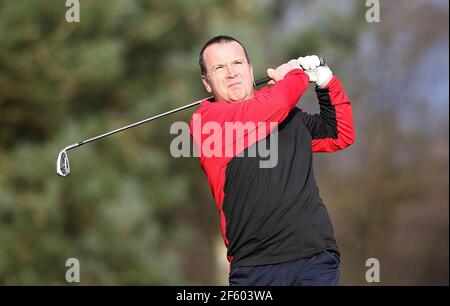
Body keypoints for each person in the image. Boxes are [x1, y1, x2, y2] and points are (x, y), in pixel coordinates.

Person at [189, 35, 354, 286]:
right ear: (207, 83)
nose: (231, 73)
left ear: (250, 69)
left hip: (314, 257)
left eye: (237, 63)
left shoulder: (285, 113)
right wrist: (297, 74)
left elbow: (339, 133)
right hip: (254, 267)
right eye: (219, 68)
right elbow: (275, 103)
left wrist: (325, 81)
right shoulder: (207, 121)